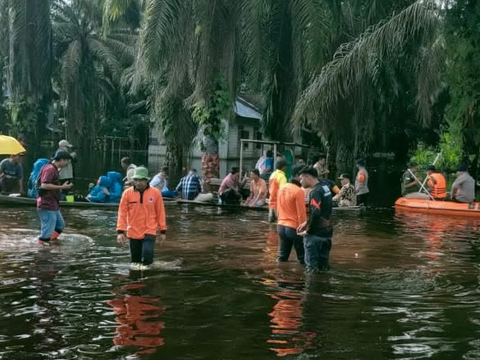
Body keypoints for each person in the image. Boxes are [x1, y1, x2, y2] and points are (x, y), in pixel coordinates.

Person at [117, 167, 167, 268]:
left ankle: (148, 280)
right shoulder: (127, 193)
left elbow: (160, 212)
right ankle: (137, 282)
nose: (138, 182)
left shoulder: (156, 193)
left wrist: (163, 231)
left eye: (141, 180)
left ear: (147, 180)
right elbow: (122, 213)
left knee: (147, 254)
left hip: (150, 230)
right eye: (136, 180)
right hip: (133, 231)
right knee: (135, 262)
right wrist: (120, 232)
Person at [297, 167, 333, 273]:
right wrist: (306, 222)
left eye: (301, 179)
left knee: (311, 269)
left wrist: (308, 231)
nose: (300, 182)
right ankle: (324, 287)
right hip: (327, 233)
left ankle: (311, 288)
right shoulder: (325, 187)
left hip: (315, 235)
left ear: (308, 177)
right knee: (324, 266)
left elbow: (316, 212)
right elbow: (323, 211)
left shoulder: (314, 192)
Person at [36, 151, 74, 245]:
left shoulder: (54, 168)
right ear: (61, 159)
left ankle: (51, 242)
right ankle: (42, 250)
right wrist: (62, 187)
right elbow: (44, 185)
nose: (66, 164)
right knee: (47, 231)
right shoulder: (50, 169)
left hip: (53, 203)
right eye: (66, 161)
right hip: (47, 203)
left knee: (60, 225)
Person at [276, 166, 307, 264]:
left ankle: (280, 276)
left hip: (281, 226)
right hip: (294, 228)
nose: (303, 179)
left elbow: (278, 208)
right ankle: (304, 278)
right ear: (298, 176)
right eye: (302, 176)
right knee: (303, 259)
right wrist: (304, 229)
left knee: (282, 258)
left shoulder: (281, 188)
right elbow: (301, 213)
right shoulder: (299, 191)